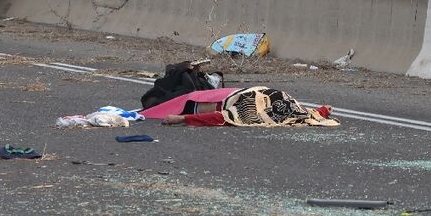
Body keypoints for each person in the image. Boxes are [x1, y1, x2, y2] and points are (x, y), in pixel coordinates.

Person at [144, 85, 338, 128]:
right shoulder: (290, 107)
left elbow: (221, 117)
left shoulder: (248, 111)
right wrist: (321, 111)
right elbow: (305, 113)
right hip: (242, 93)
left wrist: (182, 118)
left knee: (180, 98)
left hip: (238, 95)